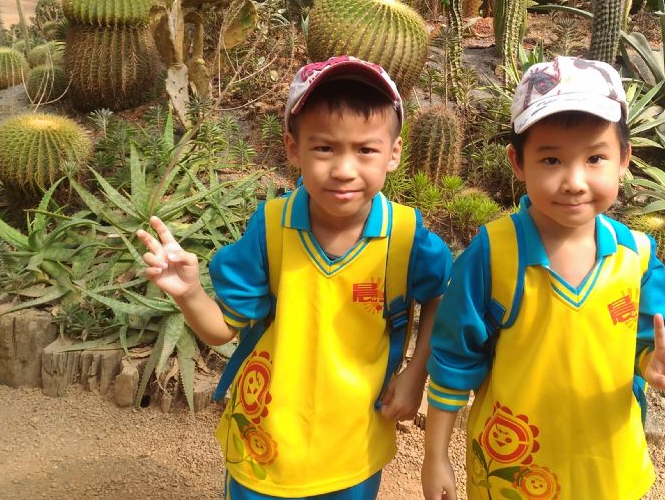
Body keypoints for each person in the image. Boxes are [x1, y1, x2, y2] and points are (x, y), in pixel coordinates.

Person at [137, 56, 453, 500]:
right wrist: (188, 292)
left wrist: (416, 372)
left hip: (354, 446)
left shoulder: (404, 237)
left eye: (365, 150)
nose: (344, 169)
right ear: (293, 148)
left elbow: (441, 293)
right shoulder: (270, 228)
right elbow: (220, 330)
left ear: (394, 153)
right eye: (324, 148)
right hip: (263, 445)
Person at [421, 55, 665, 500]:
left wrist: (656, 361)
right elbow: (454, 361)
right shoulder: (494, 256)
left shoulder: (636, 257)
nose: (574, 181)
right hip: (512, 479)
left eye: (595, 158)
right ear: (518, 162)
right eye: (551, 159)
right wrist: (435, 455)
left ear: (624, 159)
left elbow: (646, 343)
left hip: (608, 471)